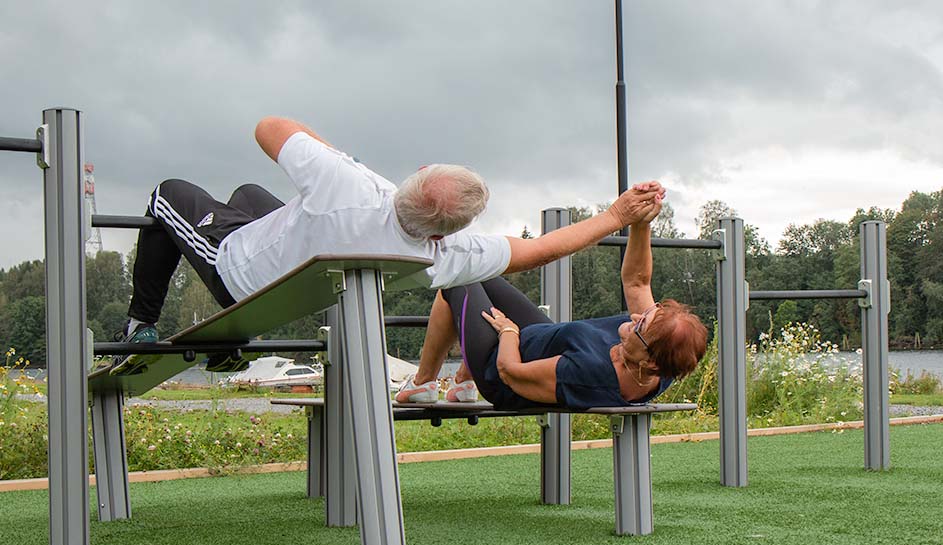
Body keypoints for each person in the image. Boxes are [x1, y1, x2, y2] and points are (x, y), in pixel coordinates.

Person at [115, 116, 664, 370]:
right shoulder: (445, 254)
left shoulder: (346, 185)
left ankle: (140, 321)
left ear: (419, 173)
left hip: (235, 272)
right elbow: (541, 249)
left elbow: (267, 127)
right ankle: (226, 343)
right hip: (295, 282)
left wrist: (336, 162)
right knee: (250, 193)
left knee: (168, 194)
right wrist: (617, 213)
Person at [395, 200, 708, 410]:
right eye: (648, 314)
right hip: (541, 338)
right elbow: (638, 281)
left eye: (639, 326)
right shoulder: (658, 356)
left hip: (501, 365)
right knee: (484, 271)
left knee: (457, 275)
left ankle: (423, 383)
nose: (634, 318)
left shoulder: (590, 373)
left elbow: (510, 372)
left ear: (651, 363)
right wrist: (642, 222)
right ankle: (462, 382)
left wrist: (507, 332)